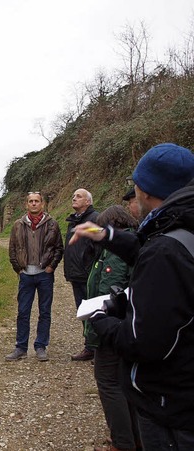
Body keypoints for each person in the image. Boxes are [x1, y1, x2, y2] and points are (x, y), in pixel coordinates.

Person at [71, 143, 194, 449]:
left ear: (147, 190)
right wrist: (107, 235)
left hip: (170, 408)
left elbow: (142, 343)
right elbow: (154, 246)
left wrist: (99, 318)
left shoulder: (164, 252)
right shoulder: (181, 228)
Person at [84, 206, 140, 451]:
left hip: (114, 329)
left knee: (108, 382)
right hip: (127, 327)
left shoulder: (116, 255)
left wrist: (97, 321)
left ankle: (122, 442)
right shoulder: (133, 245)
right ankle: (133, 438)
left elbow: (110, 291)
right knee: (124, 382)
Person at [6, 191, 64, 362]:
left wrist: (51, 267)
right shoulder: (18, 224)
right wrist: (18, 269)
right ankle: (21, 347)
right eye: (30, 201)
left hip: (44, 275)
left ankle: (40, 346)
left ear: (42, 204)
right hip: (26, 276)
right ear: (26, 204)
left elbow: (59, 248)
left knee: (44, 312)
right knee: (23, 312)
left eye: (36, 201)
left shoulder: (52, 224)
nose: (33, 204)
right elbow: (12, 249)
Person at [64, 188, 99, 361]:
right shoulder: (73, 221)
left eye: (79, 196)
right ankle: (90, 346)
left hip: (88, 274)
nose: (74, 198)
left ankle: (96, 348)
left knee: (94, 312)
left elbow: (97, 244)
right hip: (76, 275)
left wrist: (90, 267)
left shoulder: (94, 220)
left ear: (88, 202)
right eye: (73, 195)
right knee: (83, 312)